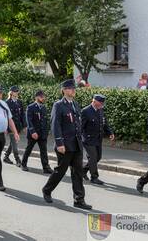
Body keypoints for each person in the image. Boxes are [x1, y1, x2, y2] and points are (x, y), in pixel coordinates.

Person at [42, 79, 92, 210]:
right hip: (64, 145)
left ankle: (79, 199)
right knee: (60, 171)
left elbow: (78, 124)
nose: (73, 90)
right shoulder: (58, 105)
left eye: (74, 88)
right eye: (70, 88)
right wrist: (59, 143)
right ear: (64, 90)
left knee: (78, 172)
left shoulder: (75, 104)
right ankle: (47, 190)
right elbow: (55, 125)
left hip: (76, 144)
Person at [81, 94, 115, 185]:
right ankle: (94, 177)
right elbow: (80, 126)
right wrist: (77, 139)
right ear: (94, 101)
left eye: (102, 104)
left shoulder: (100, 110)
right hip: (88, 139)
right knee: (93, 157)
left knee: (98, 157)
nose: (102, 105)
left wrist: (110, 133)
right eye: (100, 103)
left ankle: (83, 171)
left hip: (98, 139)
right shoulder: (85, 111)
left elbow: (104, 123)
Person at [21, 90, 53, 174]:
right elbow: (29, 120)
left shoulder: (43, 107)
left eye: (44, 97)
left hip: (42, 133)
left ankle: (46, 167)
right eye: (41, 97)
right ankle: (23, 164)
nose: (43, 98)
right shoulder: (30, 107)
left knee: (44, 150)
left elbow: (45, 121)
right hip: (33, 133)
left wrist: (47, 132)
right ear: (37, 97)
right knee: (29, 149)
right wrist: (32, 131)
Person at [3, 86, 26, 167]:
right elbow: (5, 116)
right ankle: (18, 160)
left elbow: (22, 114)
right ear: (11, 92)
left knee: (13, 142)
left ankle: (6, 156)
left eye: (17, 91)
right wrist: (5, 127)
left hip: (18, 126)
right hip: (10, 126)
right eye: (14, 91)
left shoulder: (19, 102)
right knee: (15, 142)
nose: (16, 92)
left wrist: (24, 126)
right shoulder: (7, 102)